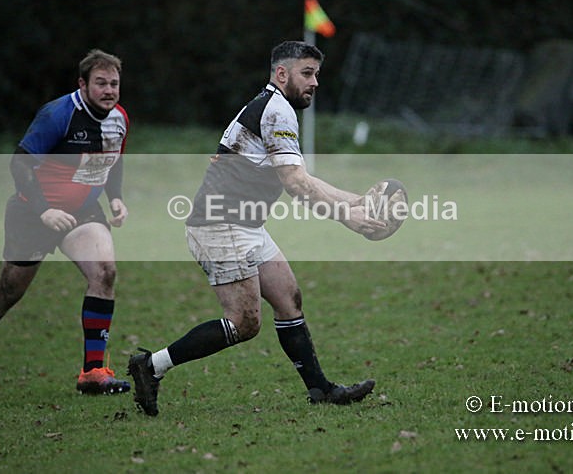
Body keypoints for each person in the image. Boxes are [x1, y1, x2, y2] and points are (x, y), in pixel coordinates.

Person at [127, 41, 386, 416]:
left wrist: (356, 201)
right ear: (282, 74)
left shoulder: (272, 106)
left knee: (288, 297)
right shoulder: (277, 111)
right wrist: (349, 216)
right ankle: (151, 366)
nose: (315, 83)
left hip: (242, 223)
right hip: (220, 224)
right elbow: (296, 183)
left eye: (317, 75)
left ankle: (321, 390)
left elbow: (301, 178)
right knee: (244, 322)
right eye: (307, 74)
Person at [0, 49, 132, 402]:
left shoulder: (119, 119)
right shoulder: (58, 114)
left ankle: (93, 371)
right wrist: (44, 211)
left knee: (104, 272)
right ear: (82, 84)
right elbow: (20, 165)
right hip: (33, 213)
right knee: (7, 292)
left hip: (82, 214)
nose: (109, 90)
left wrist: (115, 197)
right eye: (100, 83)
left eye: (114, 83)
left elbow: (113, 159)